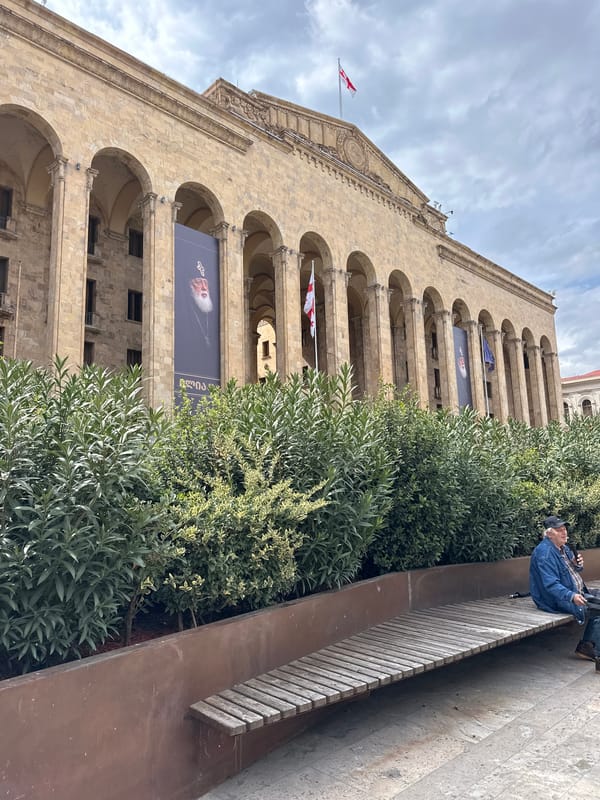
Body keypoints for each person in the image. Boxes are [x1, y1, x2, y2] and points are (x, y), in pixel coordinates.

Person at [529, 515, 600, 661]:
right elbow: (551, 585)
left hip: (577, 591)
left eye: (564, 529)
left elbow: (574, 572)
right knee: (598, 608)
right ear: (549, 534)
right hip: (556, 599)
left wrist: (577, 564)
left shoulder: (565, 548)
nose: (564, 532)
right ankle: (588, 647)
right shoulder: (545, 553)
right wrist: (571, 596)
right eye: (559, 530)